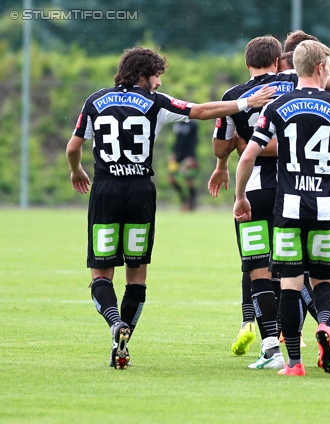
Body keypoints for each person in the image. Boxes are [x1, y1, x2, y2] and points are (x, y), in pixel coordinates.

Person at [66, 46, 275, 369]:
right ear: (142, 75)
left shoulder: (95, 101)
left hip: (105, 191)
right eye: (157, 76)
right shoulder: (154, 103)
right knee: (137, 277)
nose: (160, 83)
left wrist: (76, 169)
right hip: (140, 193)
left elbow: (73, 146)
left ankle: (114, 324)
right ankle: (122, 340)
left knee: (101, 273)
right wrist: (247, 102)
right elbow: (203, 111)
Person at [233, 40, 330, 376]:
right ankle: (325, 324)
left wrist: (240, 195)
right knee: (323, 278)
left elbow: (247, 155)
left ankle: (294, 363)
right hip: (325, 207)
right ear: (319, 68)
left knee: (288, 283)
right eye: (328, 66)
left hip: (287, 208)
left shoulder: (277, 107)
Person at [209, 35, 302, 369]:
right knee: (293, 267)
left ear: (247, 63)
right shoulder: (295, 83)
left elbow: (222, 146)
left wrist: (235, 149)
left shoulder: (234, 96)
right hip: (294, 188)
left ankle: (270, 349)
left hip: (253, 191)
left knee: (256, 266)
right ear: (279, 60)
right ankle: (298, 340)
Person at [168, 120, 199, 211]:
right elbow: (177, 140)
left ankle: (192, 204)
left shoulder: (193, 124)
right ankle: (184, 200)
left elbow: (194, 142)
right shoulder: (177, 123)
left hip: (189, 156)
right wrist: (173, 153)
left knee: (189, 181)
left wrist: (190, 157)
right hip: (177, 156)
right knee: (172, 179)